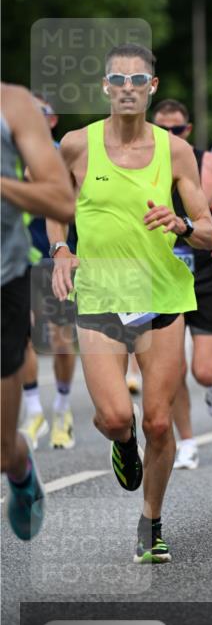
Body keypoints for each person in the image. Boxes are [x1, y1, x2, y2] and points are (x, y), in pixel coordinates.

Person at [49, 45, 212, 563]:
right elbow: (54, 204)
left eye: (138, 79)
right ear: (105, 86)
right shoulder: (76, 145)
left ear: (152, 86)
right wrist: (60, 250)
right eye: (118, 79)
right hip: (100, 296)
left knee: (159, 422)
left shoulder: (176, 151)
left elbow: (208, 231)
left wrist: (181, 223)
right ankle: (121, 443)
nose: (127, 87)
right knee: (117, 416)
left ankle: (151, 521)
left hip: (161, 295)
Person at [151, 99, 212, 470]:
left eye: (176, 130)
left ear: (187, 131)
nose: (169, 136)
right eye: (162, 130)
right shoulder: (139, 166)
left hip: (207, 277)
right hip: (163, 278)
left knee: (203, 371)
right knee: (172, 369)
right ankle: (187, 441)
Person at [1, 83, 75, 540]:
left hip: (10, 274)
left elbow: (62, 202)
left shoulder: (13, 106)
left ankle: (20, 463)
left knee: (1, 449)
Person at [19, 96, 79, 450]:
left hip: (55, 258)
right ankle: (33, 411)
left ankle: (62, 408)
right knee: (20, 336)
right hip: (17, 261)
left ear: (52, 120)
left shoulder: (66, 153)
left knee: (60, 339)